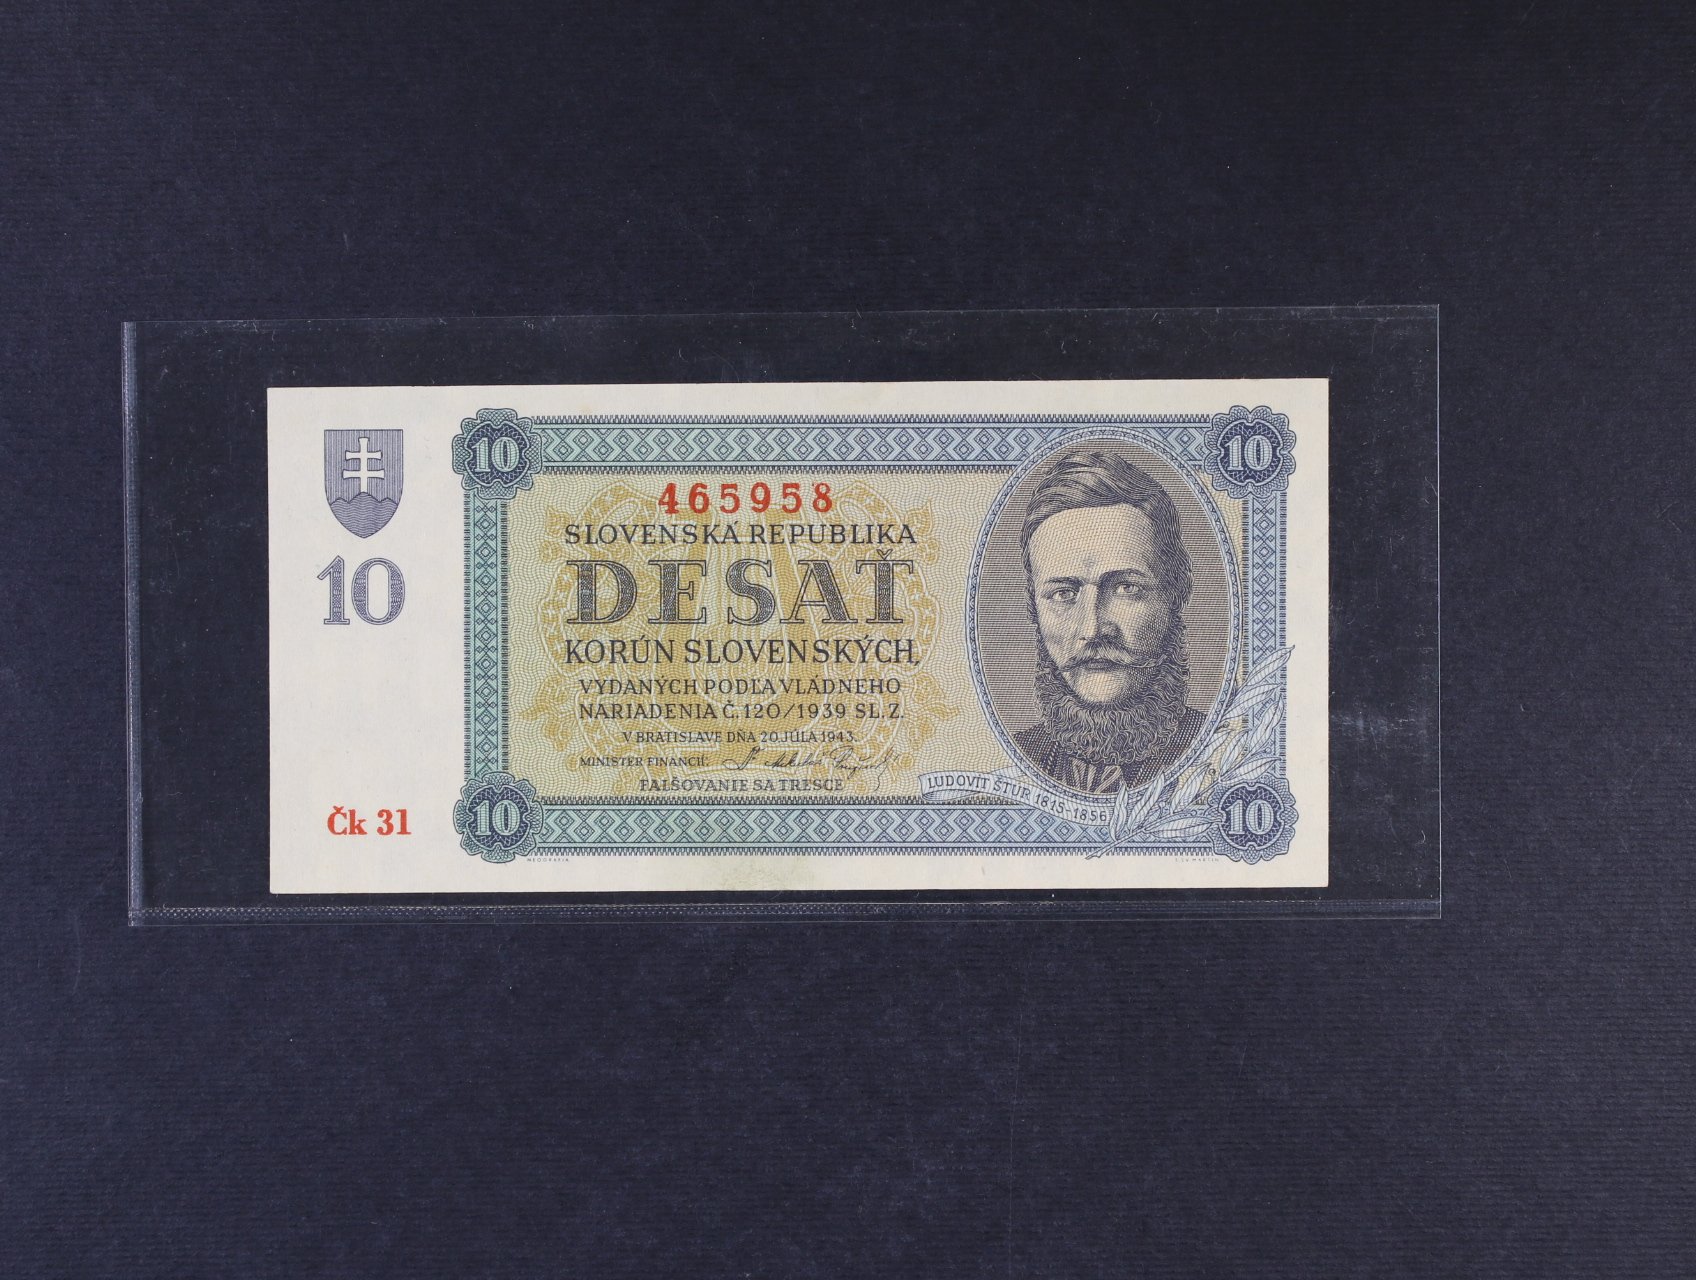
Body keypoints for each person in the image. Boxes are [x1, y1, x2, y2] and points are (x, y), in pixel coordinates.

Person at [1011, 449, 1205, 793]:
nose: (1092, 629)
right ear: (1033, 607)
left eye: (1125, 588)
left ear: (1176, 592)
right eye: (1063, 594)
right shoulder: (1013, 761)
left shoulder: (1226, 753)